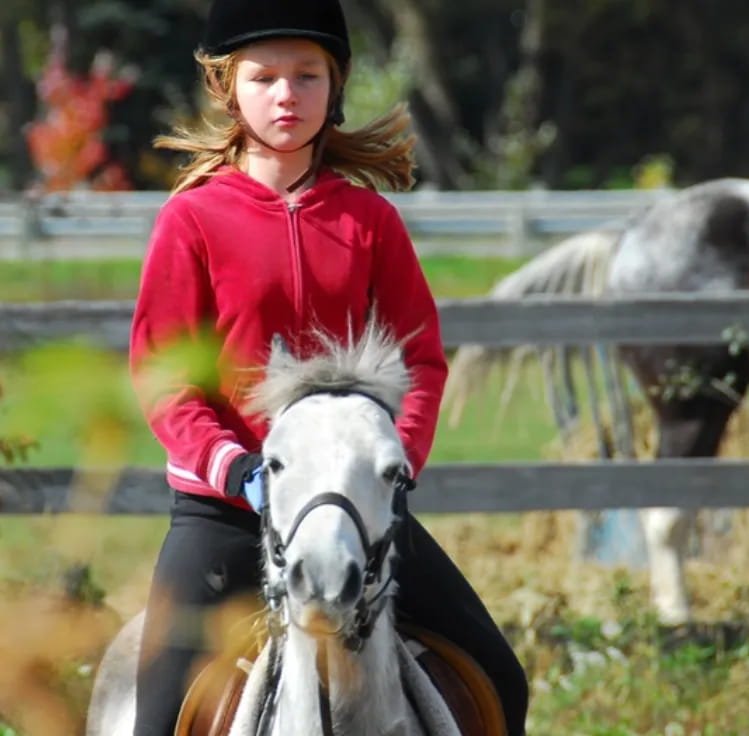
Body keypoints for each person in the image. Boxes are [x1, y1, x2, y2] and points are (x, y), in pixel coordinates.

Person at [127, 1, 529, 734]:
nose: (287, 94)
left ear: (334, 85)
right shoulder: (191, 221)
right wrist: (232, 467)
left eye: (307, 75)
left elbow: (420, 360)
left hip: (352, 505)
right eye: (266, 77)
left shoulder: (370, 221)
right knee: (154, 714)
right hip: (227, 508)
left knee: (499, 673)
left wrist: (394, 460)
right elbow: (163, 375)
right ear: (229, 89)